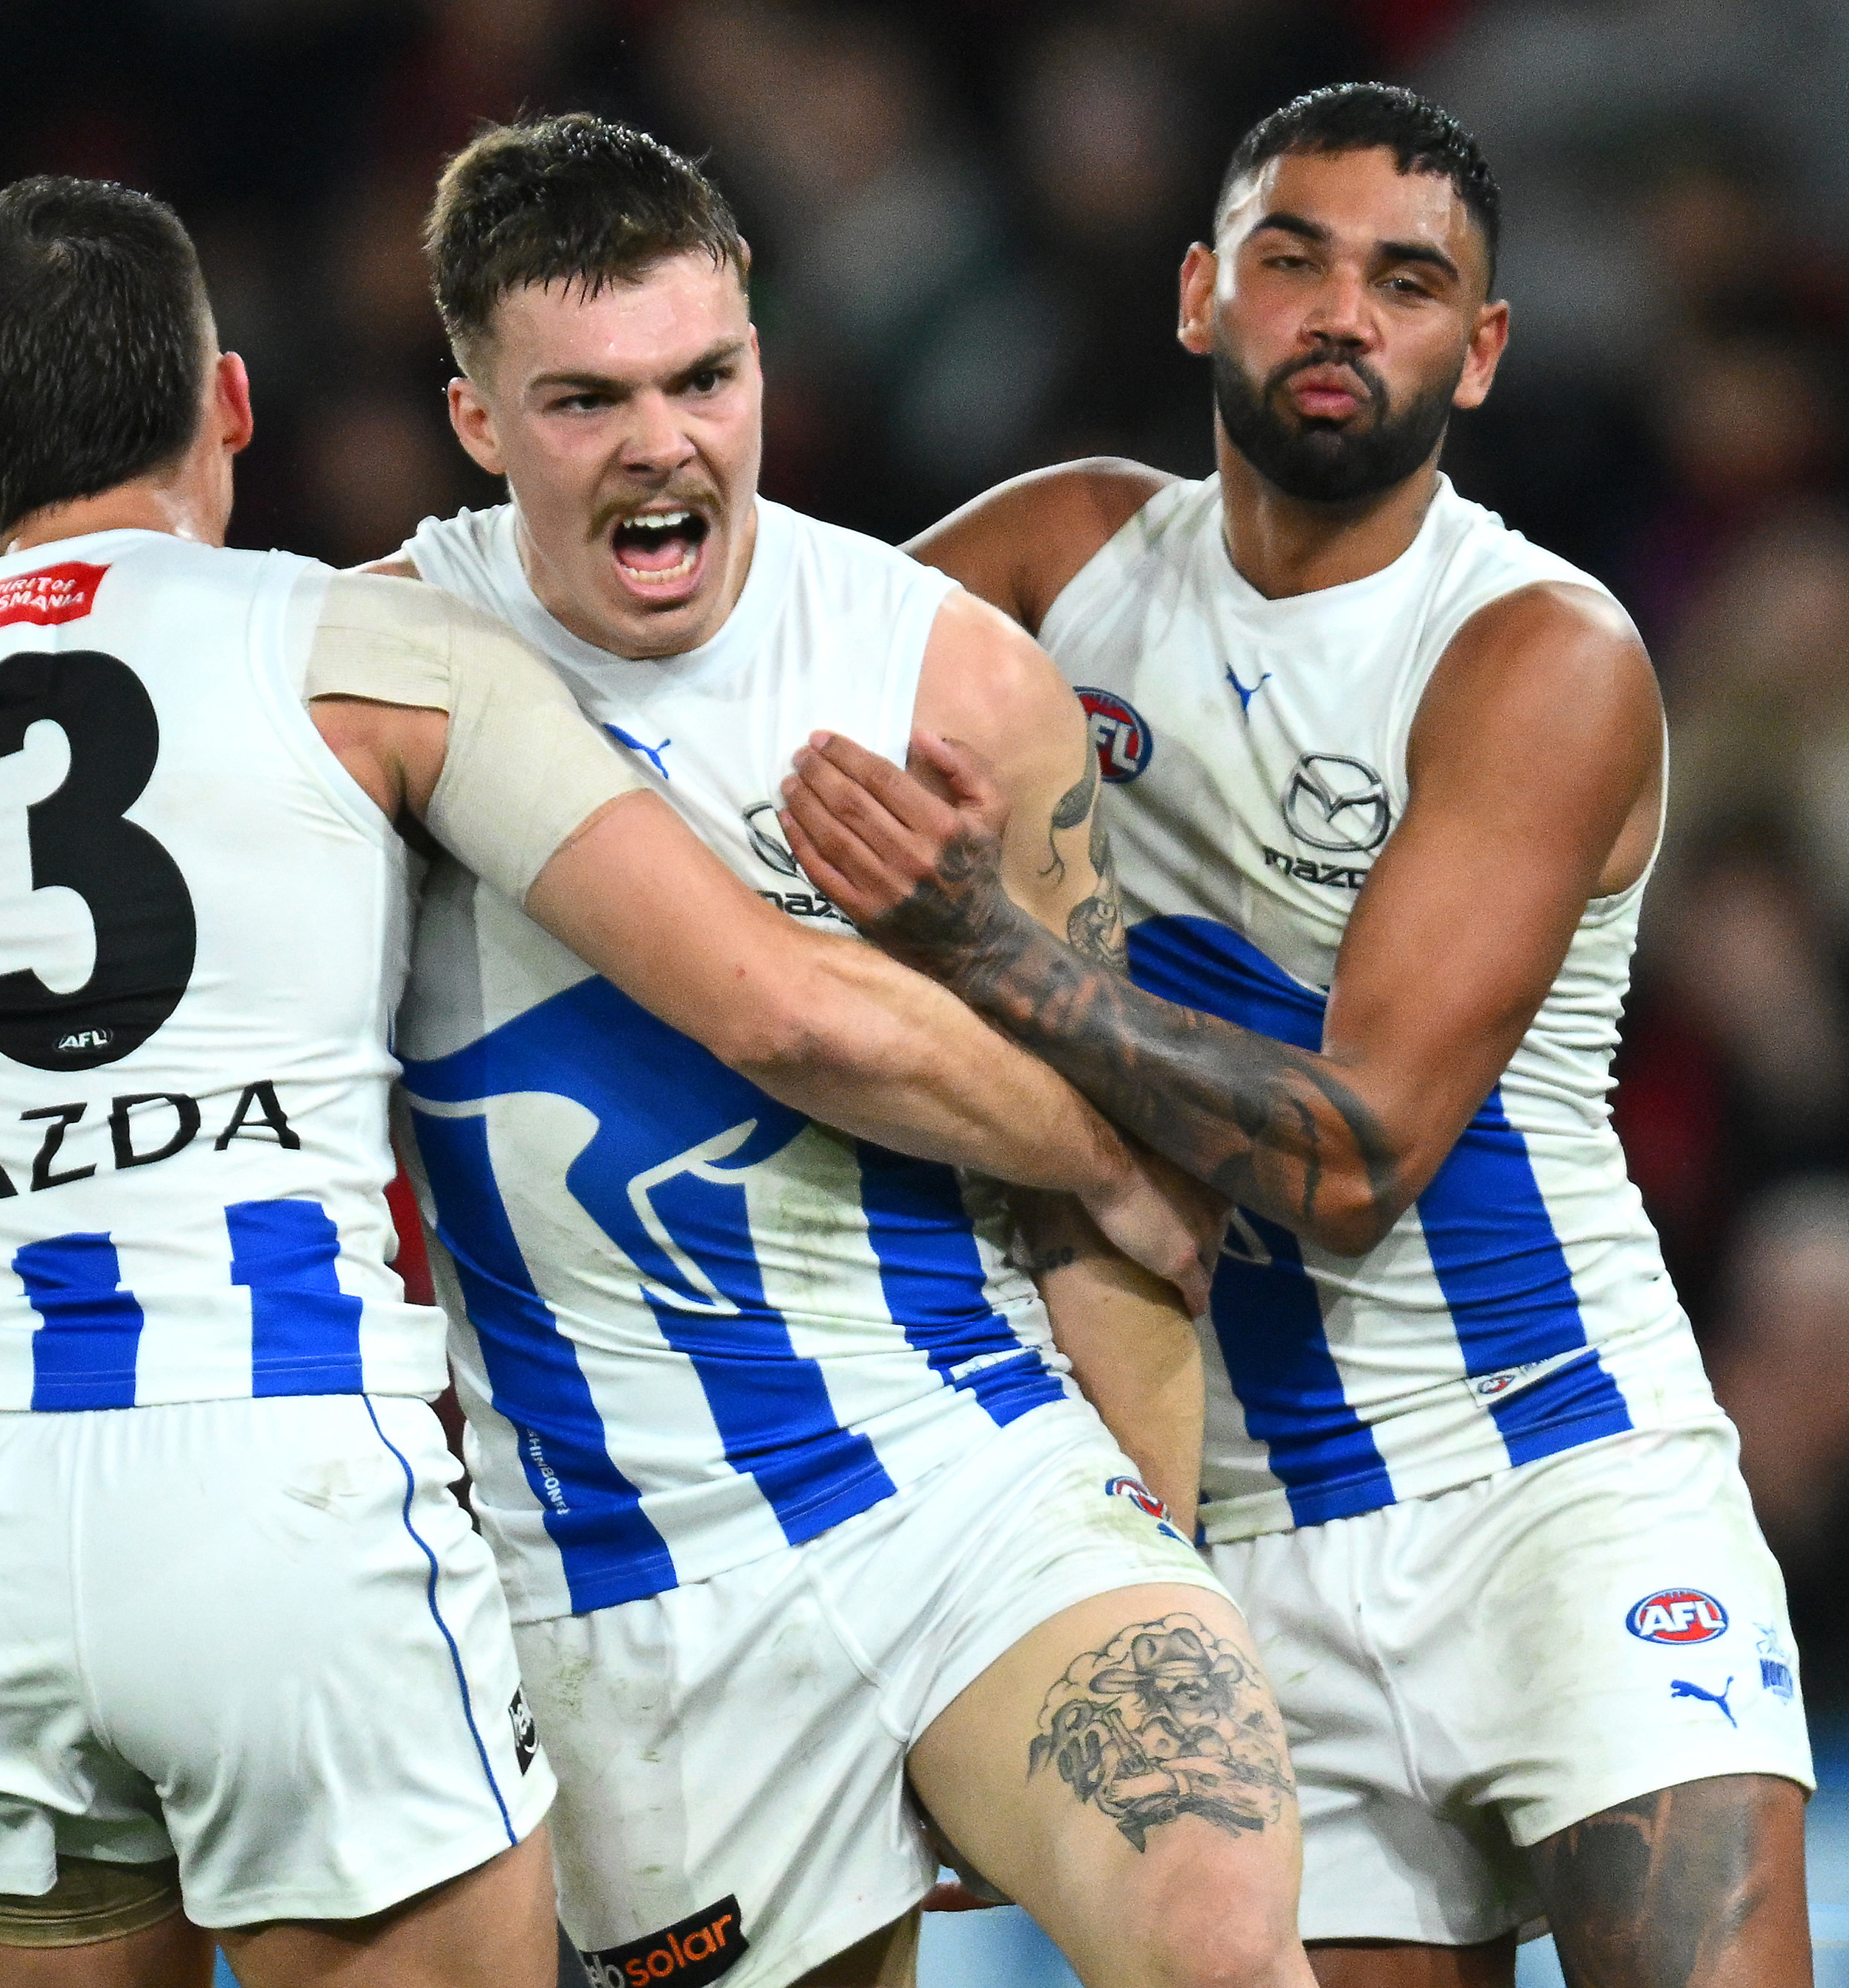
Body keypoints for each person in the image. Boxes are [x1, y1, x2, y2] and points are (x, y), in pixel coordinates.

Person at [0, 174, 1216, 1988]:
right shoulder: (350, 647)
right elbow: (774, 1004)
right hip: (273, 1478)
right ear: (231, 401)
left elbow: (29, 1144)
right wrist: (1109, 1142)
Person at [779, 84, 1817, 1988]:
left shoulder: (1531, 651)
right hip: (1231, 1536)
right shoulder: (1057, 557)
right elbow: (723, 711)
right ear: (1198, 296)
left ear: (1479, 352)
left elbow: (1351, 1160)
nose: (1344, 315)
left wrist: (979, 947)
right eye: (1294, 260)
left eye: (1407, 282)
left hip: (1553, 1489)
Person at [363, 116, 1314, 1988]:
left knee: (1217, 1930)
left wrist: (1151, 1539)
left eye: (708, 377)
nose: (666, 445)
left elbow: (1122, 1186)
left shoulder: (944, 677)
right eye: (587, 401)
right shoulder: (375, 683)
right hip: (635, 1589)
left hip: (976, 1478)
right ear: (475, 419)